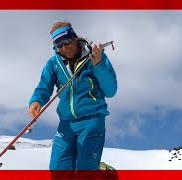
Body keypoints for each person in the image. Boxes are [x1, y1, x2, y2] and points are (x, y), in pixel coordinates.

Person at [28, 21, 117, 177]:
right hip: (66, 123)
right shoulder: (53, 64)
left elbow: (111, 90)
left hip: (91, 121)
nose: (65, 47)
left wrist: (99, 66)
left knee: (85, 171)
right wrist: (36, 101)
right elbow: (44, 87)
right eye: (59, 45)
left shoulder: (95, 56)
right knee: (57, 169)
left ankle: (104, 174)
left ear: (74, 38)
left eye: (67, 41)